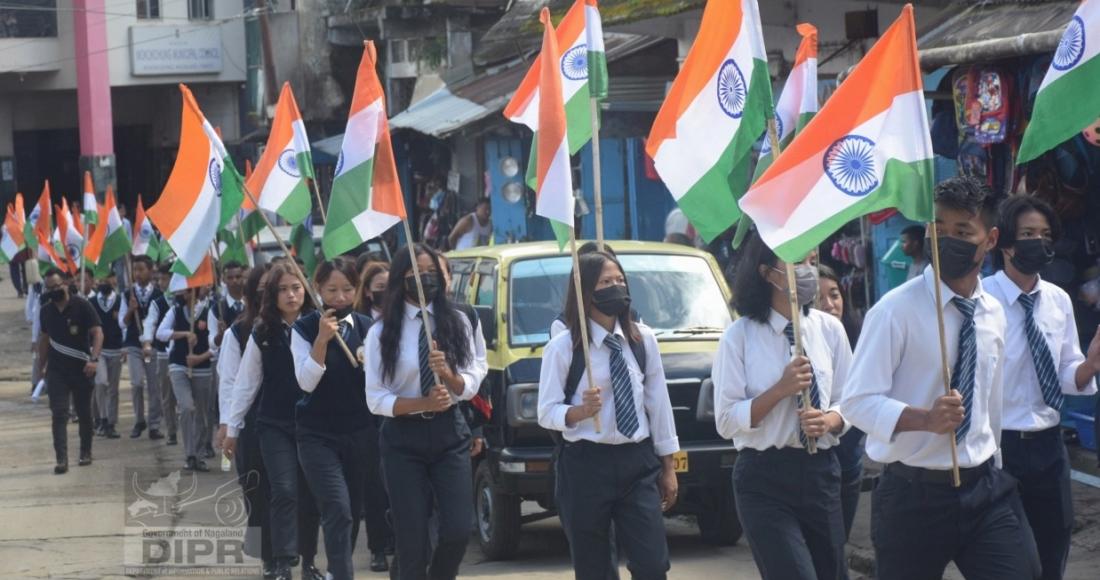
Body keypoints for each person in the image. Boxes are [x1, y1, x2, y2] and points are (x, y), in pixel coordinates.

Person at [842, 177, 1039, 580]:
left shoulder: (992, 313)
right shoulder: (894, 311)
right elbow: (856, 402)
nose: (946, 239)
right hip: (913, 496)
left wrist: (994, 462)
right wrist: (924, 420)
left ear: (990, 239)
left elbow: (990, 403)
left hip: (985, 490)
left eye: (962, 232)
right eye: (938, 228)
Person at [712, 233, 851, 580]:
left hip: (821, 471)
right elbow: (727, 420)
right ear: (767, 273)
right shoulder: (739, 337)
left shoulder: (829, 330)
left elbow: (851, 400)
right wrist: (780, 390)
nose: (807, 271)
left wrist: (830, 421)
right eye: (797, 262)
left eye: (811, 261)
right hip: (763, 477)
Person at [537, 250, 679, 580]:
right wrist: (578, 412)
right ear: (586, 291)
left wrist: (668, 465)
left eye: (620, 280)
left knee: (652, 563)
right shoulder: (563, 348)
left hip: (637, 462)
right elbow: (546, 411)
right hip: (586, 464)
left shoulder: (643, 340)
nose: (616, 287)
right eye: (605, 282)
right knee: (594, 567)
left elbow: (659, 404)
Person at [984, 194, 1100, 580]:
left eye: (1046, 234)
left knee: (1053, 552)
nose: (1039, 241)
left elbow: (1067, 369)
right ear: (1004, 241)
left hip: (1049, 446)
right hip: (998, 448)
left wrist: (1090, 365)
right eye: (1029, 233)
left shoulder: (1058, 300)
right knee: (1011, 561)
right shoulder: (980, 301)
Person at [365, 244, 487, 580]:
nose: (424, 280)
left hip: (450, 433)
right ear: (399, 279)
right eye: (415, 274)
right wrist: (422, 404)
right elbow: (376, 398)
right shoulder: (380, 332)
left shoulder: (460, 320)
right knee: (412, 540)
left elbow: (476, 371)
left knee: (457, 530)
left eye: (431, 273)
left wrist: (450, 376)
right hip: (402, 440)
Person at [226, 264, 324, 580]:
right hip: (273, 424)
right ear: (271, 295)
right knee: (283, 489)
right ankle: (282, 562)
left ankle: (308, 561)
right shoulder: (262, 331)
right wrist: (232, 427)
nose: (291, 295)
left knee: (309, 494)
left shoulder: (320, 327)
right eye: (283, 289)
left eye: (296, 287)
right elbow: (245, 382)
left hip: (314, 425)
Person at [291, 259, 373, 580]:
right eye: (332, 290)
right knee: (337, 508)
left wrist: (373, 364)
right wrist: (322, 340)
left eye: (348, 290)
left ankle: (336, 570)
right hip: (316, 435)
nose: (340, 297)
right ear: (318, 289)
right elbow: (305, 382)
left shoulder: (369, 327)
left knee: (351, 512)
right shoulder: (304, 328)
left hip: (359, 431)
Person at [214, 264, 277, 578]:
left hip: (290, 421)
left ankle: (288, 553)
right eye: (262, 288)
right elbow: (229, 382)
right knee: (256, 489)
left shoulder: (302, 327)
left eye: (274, 287)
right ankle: (266, 556)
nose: (269, 294)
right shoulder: (238, 332)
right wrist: (229, 426)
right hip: (251, 422)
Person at [37, 268, 103, 474]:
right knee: (59, 413)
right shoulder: (46, 310)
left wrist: (94, 359)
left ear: (65, 283)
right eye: (50, 288)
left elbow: (98, 333)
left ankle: (85, 451)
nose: (54, 291)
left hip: (82, 368)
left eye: (57, 286)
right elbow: (45, 339)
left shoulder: (82, 305)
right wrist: (41, 367)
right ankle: (61, 459)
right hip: (57, 371)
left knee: (84, 413)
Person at [816, 264, 864, 541]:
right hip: (813, 462)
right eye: (819, 298)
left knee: (836, 546)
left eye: (834, 295)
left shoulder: (862, 337)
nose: (830, 305)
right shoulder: (797, 342)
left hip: (848, 460)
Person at [156, 284, 219, 471]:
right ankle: (189, 453)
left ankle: (198, 455)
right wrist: (184, 334)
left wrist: (200, 357)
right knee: (186, 407)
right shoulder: (175, 312)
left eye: (187, 289)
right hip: (178, 365)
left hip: (202, 368)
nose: (183, 292)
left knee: (202, 412)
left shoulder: (209, 312)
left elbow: (215, 345)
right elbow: (160, 333)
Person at [119, 255, 164, 439]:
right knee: (137, 382)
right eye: (135, 270)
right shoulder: (128, 294)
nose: (137, 274)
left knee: (154, 386)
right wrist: (131, 309)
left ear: (150, 271)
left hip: (152, 345)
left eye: (141, 269)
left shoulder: (159, 295)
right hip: (134, 345)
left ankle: (154, 424)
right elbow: (122, 322)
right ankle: (139, 420)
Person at [143, 262, 179, 446]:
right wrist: (147, 342)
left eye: (165, 278)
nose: (162, 282)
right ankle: (172, 430)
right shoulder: (158, 302)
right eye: (160, 279)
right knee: (167, 395)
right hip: (164, 354)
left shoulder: (187, 298)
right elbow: (150, 322)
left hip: (183, 354)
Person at [89, 271, 124, 439]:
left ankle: (111, 423)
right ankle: (102, 418)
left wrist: (125, 346)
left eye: (107, 278)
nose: (104, 282)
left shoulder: (121, 300)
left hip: (116, 349)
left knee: (113, 389)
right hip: (99, 351)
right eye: (101, 279)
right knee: (101, 382)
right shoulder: (91, 302)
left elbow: (125, 324)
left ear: (114, 280)